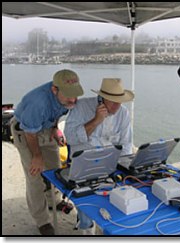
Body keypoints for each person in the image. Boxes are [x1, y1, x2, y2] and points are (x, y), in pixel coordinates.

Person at [10, 69, 84, 235]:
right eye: (69, 95)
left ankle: (53, 200)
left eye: (75, 94)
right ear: (54, 90)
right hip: (26, 131)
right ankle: (42, 220)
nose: (73, 99)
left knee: (55, 170)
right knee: (35, 176)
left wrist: (55, 129)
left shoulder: (67, 98)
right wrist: (36, 156)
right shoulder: (38, 103)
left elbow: (58, 112)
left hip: (46, 127)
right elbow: (30, 132)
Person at [64, 78, 134, 234]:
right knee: (86, 202)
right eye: (113, 102)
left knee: (122, 197)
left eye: (120, 101)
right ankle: (86, 228)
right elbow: (70, 138)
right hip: (84, 165)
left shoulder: (123, 113)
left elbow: (127, 144)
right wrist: (96, 120)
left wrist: (124, 168)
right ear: (102, 99)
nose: (117, 106)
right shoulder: (81, 107)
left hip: (111, 166)